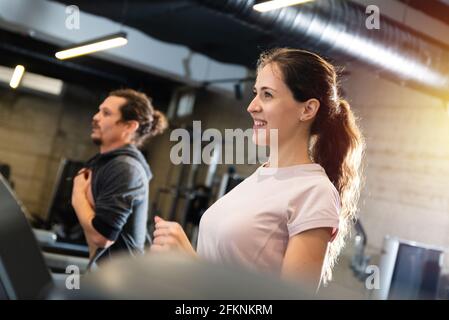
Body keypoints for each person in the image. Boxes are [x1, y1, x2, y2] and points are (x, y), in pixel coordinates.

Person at [151, 48, 364, 288]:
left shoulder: (315, 192)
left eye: (268, 95)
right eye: (255, 94)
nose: (251, 106)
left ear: (307, 109)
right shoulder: (260, 177)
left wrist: (191, 265)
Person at [71, 89, 168, 264]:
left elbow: (102, 237)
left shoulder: (125, 168)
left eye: (106, 113)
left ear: (129, 126)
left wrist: (78, 196)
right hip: (105, 274)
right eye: (99, 110)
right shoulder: (104, 162)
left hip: (123, 281)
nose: (96, 117)